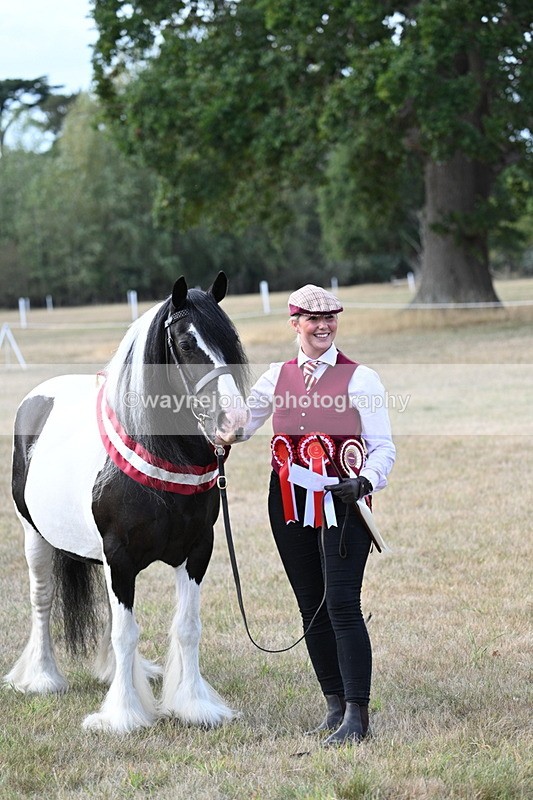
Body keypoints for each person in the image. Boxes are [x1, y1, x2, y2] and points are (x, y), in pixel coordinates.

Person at [244, 284, 395, 746]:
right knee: (311, 606)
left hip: (343, 502)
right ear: (295, 324)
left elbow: (383, 448)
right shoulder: (275, 377)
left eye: (331, 317)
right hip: (287, 504)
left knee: (342, 604)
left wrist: (364, 481)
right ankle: (333, 706)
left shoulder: (360, 378)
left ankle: (357, 716)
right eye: (314, 319)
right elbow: (235, 428)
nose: (324, 326)